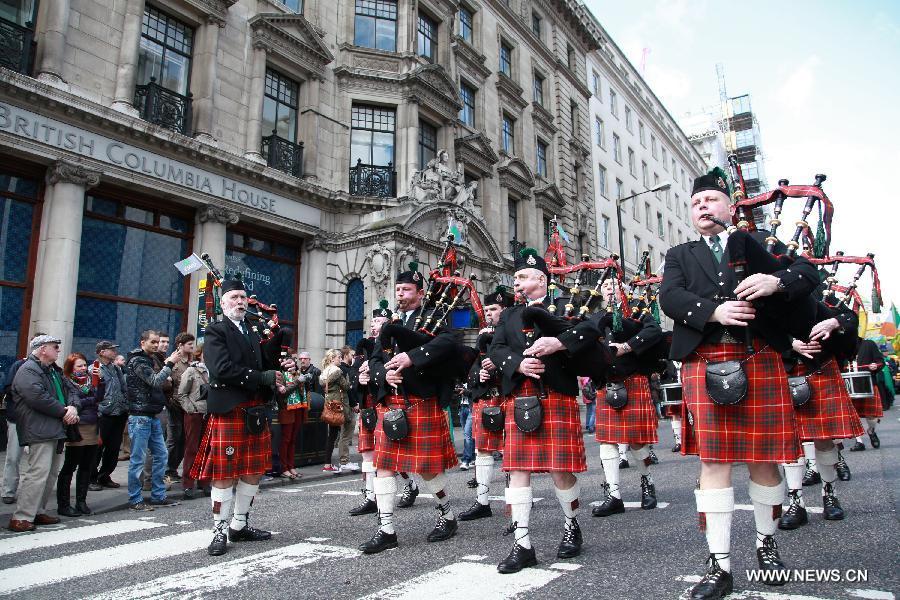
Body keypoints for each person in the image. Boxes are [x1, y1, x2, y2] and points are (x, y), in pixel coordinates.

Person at [660, 168, 818, 599]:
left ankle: (767, 546)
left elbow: (808, 273)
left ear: (729, 206)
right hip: (706, 360)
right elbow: (669, 297)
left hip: (760, 356)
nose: (702, 207)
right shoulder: (680, 253)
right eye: (695, 203)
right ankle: (720, 564)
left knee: (764, 459)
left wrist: (777, 281)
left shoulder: (758, 243)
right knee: (714, 463)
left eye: (710, 199)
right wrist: (714, 313)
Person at [488, 249, 599, 573]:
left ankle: (571, 525)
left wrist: (558, 343)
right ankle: (522, 544)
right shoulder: (508, 316)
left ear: (541, 278)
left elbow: (591, 330)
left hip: (555, 395)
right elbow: (496, 349)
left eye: (522, 276)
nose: (517, 282)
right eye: (516, 277)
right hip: (520, 397)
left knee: (560, 470)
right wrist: (518, 363)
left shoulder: (565, 305)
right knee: (517, 471)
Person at [361, 262, 462, 554]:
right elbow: (376, 358)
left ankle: (447, 515)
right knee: (382, 467)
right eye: (398, 290)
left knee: (428, 470)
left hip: (420, 402)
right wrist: (383, 375)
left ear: (419, 292)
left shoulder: (433, 316)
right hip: (392, 403)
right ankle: (386, 529)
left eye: (406, 290)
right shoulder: (391, 322)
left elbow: (448, 344)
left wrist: (412, 358)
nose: (401, 294)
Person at [189, 275, 291, 556]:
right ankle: (219, 531)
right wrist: (262, 376)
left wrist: (278, 347)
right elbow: (222, 369)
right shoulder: (216, 331)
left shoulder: (253, 330)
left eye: (243, 298)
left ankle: (239, 524)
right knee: (224, 474)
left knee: (254, 470)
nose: (240, 302)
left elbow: (264, 362)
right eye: (234, 298)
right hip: (229, 408)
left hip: (254, 409)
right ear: (223, 303)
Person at [778, 300, 864, 530]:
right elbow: (760, 332)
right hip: (783, 372)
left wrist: (833, 322)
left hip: (820, 368)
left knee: (825, 439)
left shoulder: (816, 294)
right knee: (790, 441)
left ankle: (830, 495)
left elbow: (850, 317)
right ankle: (796, 503)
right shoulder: (764, 300)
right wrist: (790, 344)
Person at [590, 276, 664, 518]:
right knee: (606, 441)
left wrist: (627, 346)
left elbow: (654, 332)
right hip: (606, 383)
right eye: (606, 287)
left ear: (623, 289)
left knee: (636, 441)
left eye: (614, 286)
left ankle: (647, 481)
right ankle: (614, 495)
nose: (610, 290)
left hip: (632, 379)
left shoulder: (637, 309)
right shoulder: (594, 315)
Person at [458, 285, 515, 522]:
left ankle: (515, 499)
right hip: (486, 398)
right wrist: (477, 375)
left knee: (512, 449)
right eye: (488, 309)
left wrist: (499, 365)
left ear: (505, 310)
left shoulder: (515, 333)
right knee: (483, 450)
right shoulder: (482, 335)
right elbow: (470, 368)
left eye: (494, 309)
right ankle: (482, 501)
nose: (489, 313)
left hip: (507, 396)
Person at [8, 335, 77, 532]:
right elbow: (36, 397)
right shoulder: (28, 370)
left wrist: (72, 406)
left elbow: (70, 389)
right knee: (37, 473)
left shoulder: (52, 370)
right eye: (55, 347)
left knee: (50, 473)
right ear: (42, 349)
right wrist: (64, 411)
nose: (58, 350)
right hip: (39, 428)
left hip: (55, 427)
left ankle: (38, 511)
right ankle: (21, 516)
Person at [126, 330, 180, 511]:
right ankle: (135, 498)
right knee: (138, 459)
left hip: (152, 413)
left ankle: (158, 495)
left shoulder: (149, 360)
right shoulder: (138, 361)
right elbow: (156, 381)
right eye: (153, 342)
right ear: (143, 342)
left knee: (161, 454)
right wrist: (170, 364)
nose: (156, 345)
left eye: (158, 342)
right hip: (140, 415)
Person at [349, 300, 391, 516]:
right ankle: (370, 498)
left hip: (384, 404)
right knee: (367, 453)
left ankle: (410, 486)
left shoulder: (391, 345)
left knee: (389, 456)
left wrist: (374, 375)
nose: (375, 325)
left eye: (381, 321)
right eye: (374, 320)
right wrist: (360, 379)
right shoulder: (364, 346)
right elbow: (352, 374)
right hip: (367, 406)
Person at [57, 352, 104, 517]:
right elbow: (74, 402)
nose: (84, 368)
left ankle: (81, 502)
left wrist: (101, 381)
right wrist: (90, 400)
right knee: (70, 465)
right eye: (79, 366)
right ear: (71, 368)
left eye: (85, 365)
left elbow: (99, 397)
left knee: (87, 465)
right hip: (77, 426)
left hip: (92, 425)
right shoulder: (66, 381)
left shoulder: (92, 379)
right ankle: (63, 503)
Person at [1, 341, 36, 505]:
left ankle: (31, 492)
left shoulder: (50, 370)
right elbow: (8, 387)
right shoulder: (19, 365)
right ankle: (9, 490)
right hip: (18, 417)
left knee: (37, 459)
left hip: (38, 420)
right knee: (14, 456)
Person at [93, 340, 127, 489]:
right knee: (97, 448)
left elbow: (123, 388)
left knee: (113, 448)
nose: (114, 352)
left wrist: (125, 405)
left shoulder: (116, 369)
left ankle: (105, 475)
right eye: (111, 349)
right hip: (103, 414)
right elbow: (92, 391)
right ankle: (91, 477)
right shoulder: (95, 369)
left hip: (118, 412)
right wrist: (100, 408)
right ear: (102, 352)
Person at [177, 346, 210, 499]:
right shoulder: (191, 371)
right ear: (200, 354)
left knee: (207, 449)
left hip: (210, 413)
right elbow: (182, 394)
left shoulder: (214, 371)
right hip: (194, 414)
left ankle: (204, 482)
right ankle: (188, 484)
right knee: (191, 448)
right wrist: (191, 409)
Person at [165, 333, 195, 484]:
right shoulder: (174, 361)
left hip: (188, 406)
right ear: (180, 345)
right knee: (173, 439)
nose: (192, 347)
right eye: (189, 344)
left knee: (184, 439)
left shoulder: (192, 362)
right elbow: (166, 383)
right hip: (175, 405)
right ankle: (167, 470)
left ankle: (173, 468)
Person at [850, 338, 886, 450]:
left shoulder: (869, 344)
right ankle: (859, 441)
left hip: (868, 384)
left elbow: (881, 361)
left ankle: (871, 430)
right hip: (849, 385)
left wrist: (876, 365)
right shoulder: (841, 347)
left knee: (872, 415)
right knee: (852, 415)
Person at [320, 349, 352, 472]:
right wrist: (348, 380)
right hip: (337, 404)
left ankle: (328, 463)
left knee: (332, 434)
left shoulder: (325, 371)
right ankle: (327, 464)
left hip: (328, 403)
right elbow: (346, 386)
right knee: (333, 435)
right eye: (338, 357)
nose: (340, 359)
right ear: (332, 359)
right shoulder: (338, 372)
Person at [275, 353, 303, 480]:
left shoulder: (296, 374)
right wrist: (298, 382)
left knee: (293, 439)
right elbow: (283, 392)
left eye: (292, 363)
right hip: (286, 408)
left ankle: (291, 466)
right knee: (286, 440)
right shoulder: (279, 375)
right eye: (288, 363)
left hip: (297, 407)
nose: (291, 365)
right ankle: (283, 467)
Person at [336, 345, 359, 472]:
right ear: (346, 355)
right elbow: (348, 389)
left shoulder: (349, 368)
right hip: (347, 405)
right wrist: (354, 403)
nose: (353, 357)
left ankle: (344, 460)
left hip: (349, 404)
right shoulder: (342, 370)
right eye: (352, 355)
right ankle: (344, 461)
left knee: (346, 435)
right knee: (346, 434)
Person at [457, 383, 474, 470]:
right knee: (468, 434)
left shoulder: (476, 372)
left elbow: (477, 392)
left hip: (472, 407)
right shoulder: (461, 377)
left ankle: (466, 460)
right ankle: (472, 458)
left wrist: (465, 391)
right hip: (462, 407)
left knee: (467, 433)